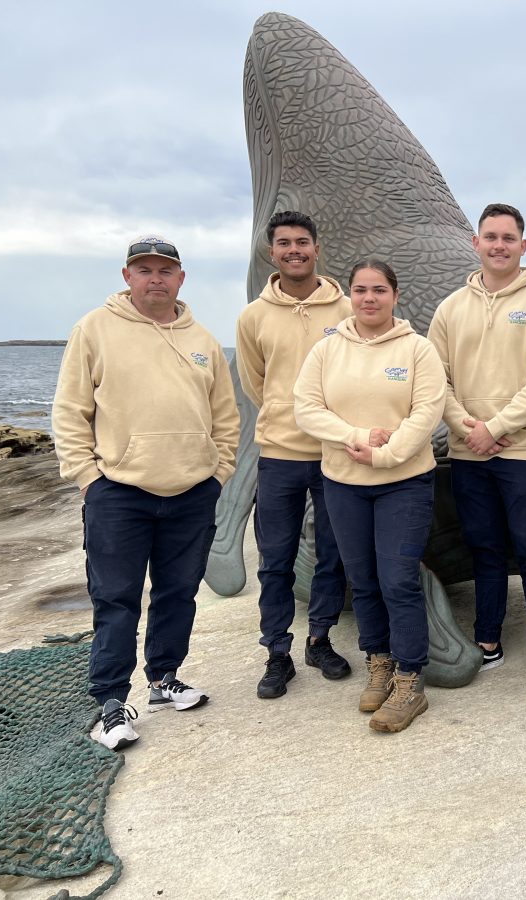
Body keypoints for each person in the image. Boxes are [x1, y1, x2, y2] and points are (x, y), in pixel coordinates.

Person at [53, 235, 240, 751]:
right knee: (115, 599)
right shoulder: (94, 329)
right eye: (145, 270)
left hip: (191, 491)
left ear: (181, 278)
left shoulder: (202, 339)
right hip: (118, 492)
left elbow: (226, 416)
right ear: (127, 276)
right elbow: (70, 411)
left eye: (165, 270)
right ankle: (111, 701)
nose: (155, 278)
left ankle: (163, 680)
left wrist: (217, 473)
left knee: (178, 593)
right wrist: (87, 478)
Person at [294, 260, 445, 733]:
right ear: (351, 297)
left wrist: (383, 455)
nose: (369, 298)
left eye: (379, 290)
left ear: (395, 296)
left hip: (404, 482)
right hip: (343, 483)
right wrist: (355, 436)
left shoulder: (418, 349)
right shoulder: (327, 349)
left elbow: (427, 413)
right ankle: (378, 662)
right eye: (360, 290)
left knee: (397, 579)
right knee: (362, 582)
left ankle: (409, 679)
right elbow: (306, 408)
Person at [427, 203, 526, 702]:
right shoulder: (450, 309)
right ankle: (489, 637)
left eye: (509, 237)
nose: (499, 245)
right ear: (476, 243)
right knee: (484, 550)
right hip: (470, 455)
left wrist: (498, 427)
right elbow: (434, 381)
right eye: (490, 237)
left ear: (523, 245)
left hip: (524, 453)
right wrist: (470, 430)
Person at [236, 211, 352, 700]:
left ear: (317, 248)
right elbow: (255, 383)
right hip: (280, 453)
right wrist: (290, 415)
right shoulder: (253, 317)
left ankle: (319, 639)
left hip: (336, 454)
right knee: (275, 559)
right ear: (272, 252)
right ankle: (277, 652)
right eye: (284, 243)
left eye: (302, 241)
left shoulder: (346, 309)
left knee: (333, 554)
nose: (294, 250)